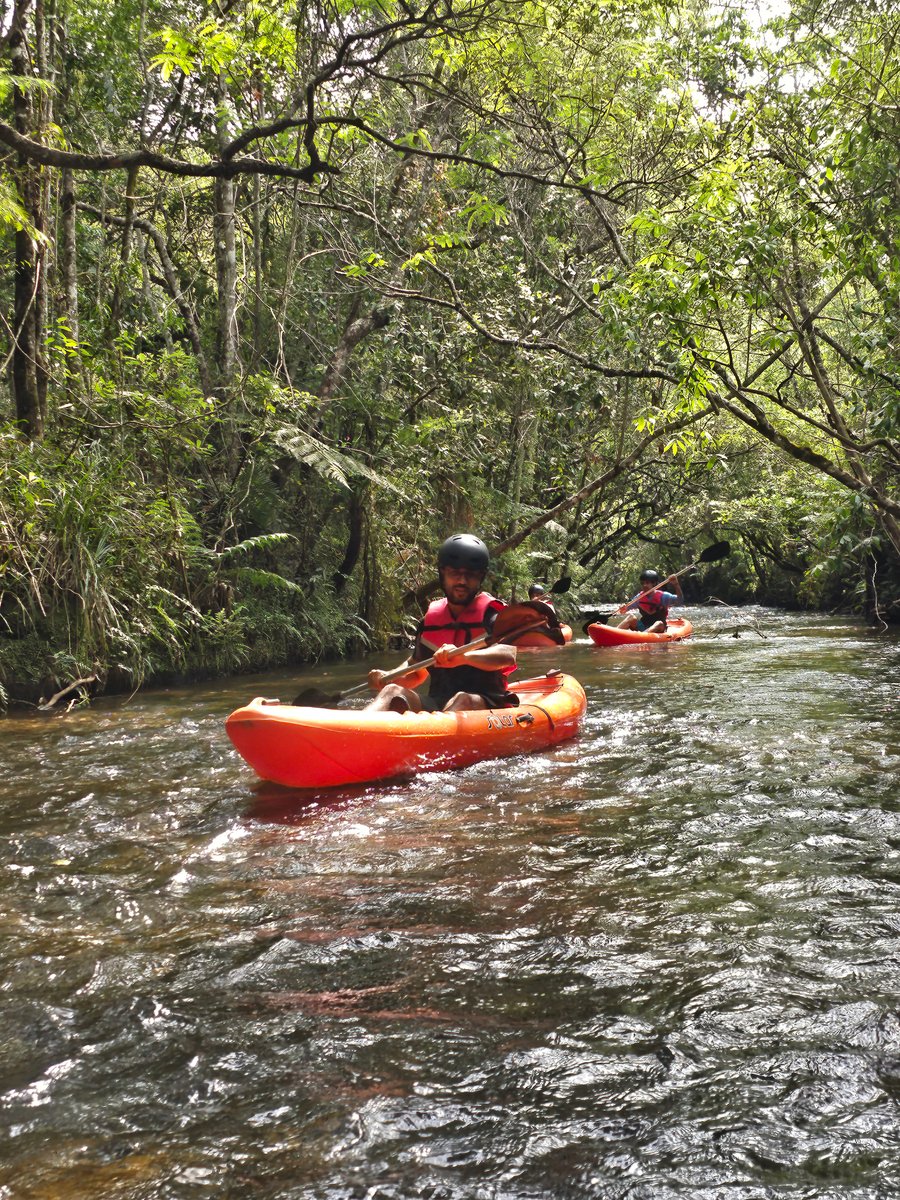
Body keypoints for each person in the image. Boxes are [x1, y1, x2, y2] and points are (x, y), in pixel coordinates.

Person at [367, 534, 518, 713]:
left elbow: (508, 655)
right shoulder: (430, 622)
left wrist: (464, 657)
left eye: (470, 575)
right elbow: (416, 672)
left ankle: (434, 735)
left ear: (480, 578)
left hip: (485, 702)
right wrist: (389, 676)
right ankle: (355, 730)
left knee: (463, 699)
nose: (462, 581)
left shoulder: (492, 616)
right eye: (454, 573)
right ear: (442, 574)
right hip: (437, 703)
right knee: (391, 691)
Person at [616, 568, 683, 634]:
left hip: (659, 628)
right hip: (643, 627)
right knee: (631, 617)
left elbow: (679, 601)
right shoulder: (639, 597)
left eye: (647, 583)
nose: (644, 585)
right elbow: (623, 611)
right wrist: (623, 608)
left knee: (658, 623)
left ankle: (642, 637)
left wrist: (676, 584)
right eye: (642, 583)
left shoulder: (664, 596)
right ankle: (614, 633)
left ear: (654, 584)